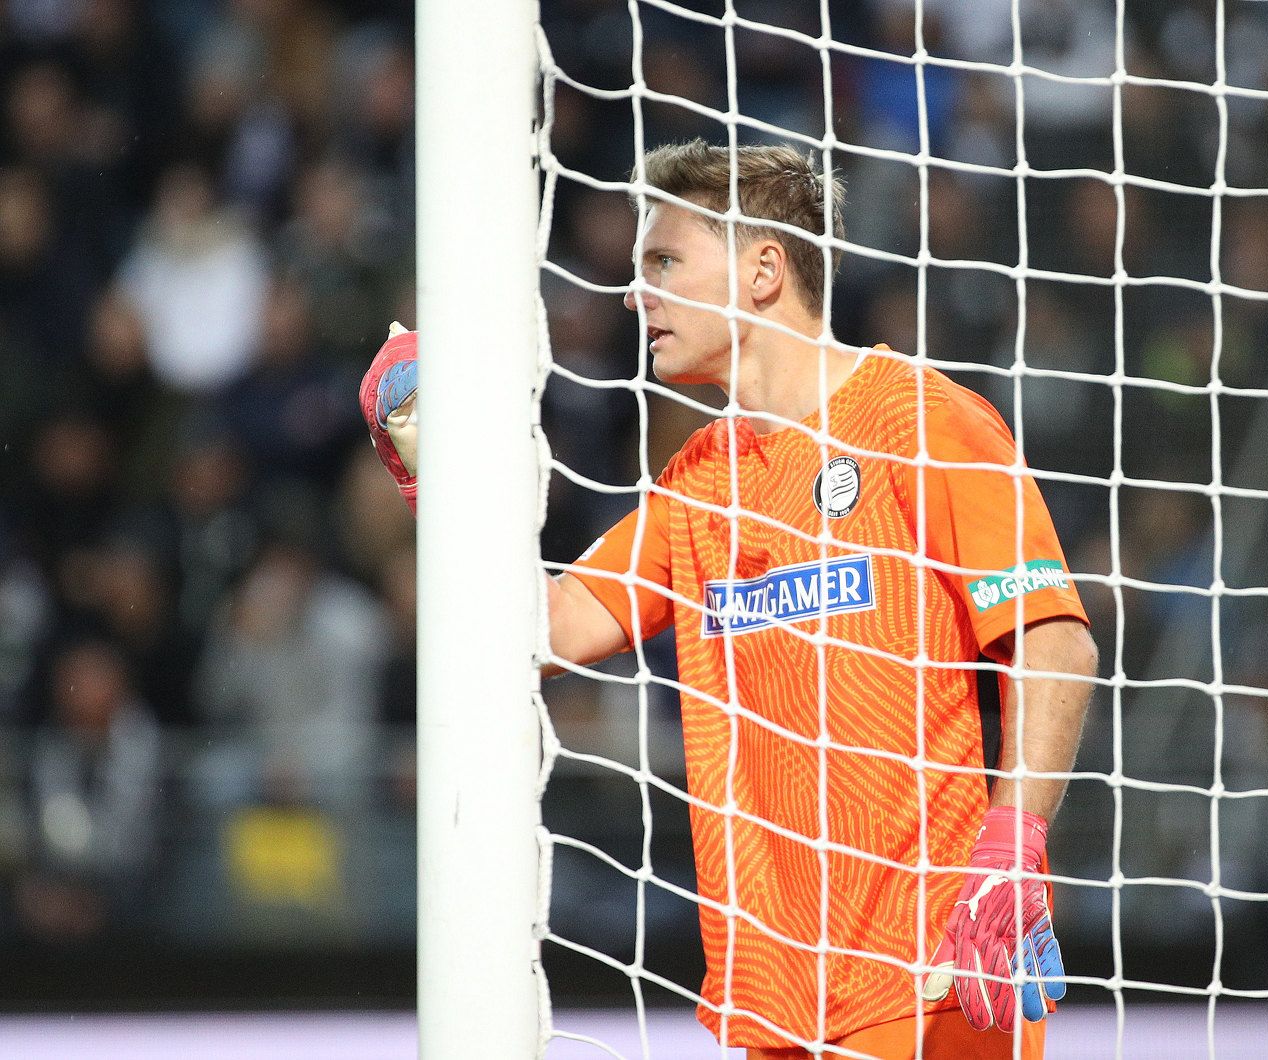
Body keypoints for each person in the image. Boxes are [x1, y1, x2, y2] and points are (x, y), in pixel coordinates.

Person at [361, 140, 1097, 1059]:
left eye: (663, 261)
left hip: (938, 979)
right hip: (774, 1005)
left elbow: (1054, 641)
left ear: (762, 269)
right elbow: (539, 631)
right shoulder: (698, 484)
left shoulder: (923, 421)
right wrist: (441, 480)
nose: (636, 295)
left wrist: (1012, 844)